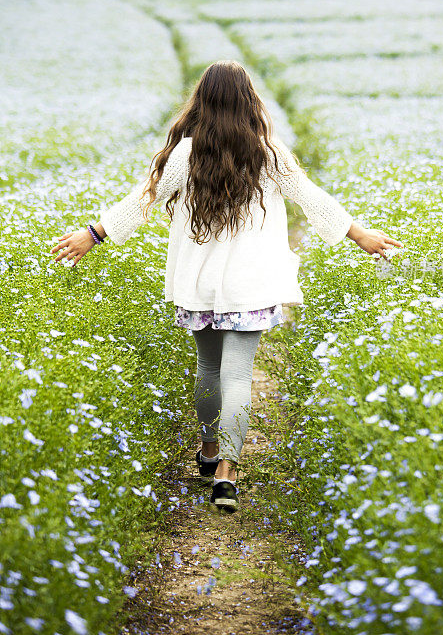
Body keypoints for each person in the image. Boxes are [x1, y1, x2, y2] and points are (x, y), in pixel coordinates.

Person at [50, 60, 403, 514]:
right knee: (238, 376)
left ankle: (210, 450)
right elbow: (312, 199)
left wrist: (93, 235)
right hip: (251, 286)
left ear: (203, 100)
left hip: (198, 284)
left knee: (208, 370)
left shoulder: (185, 155)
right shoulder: (267, 152)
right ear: (248, 100)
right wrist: (362, 237)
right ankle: (226, 475)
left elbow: (144, 201)